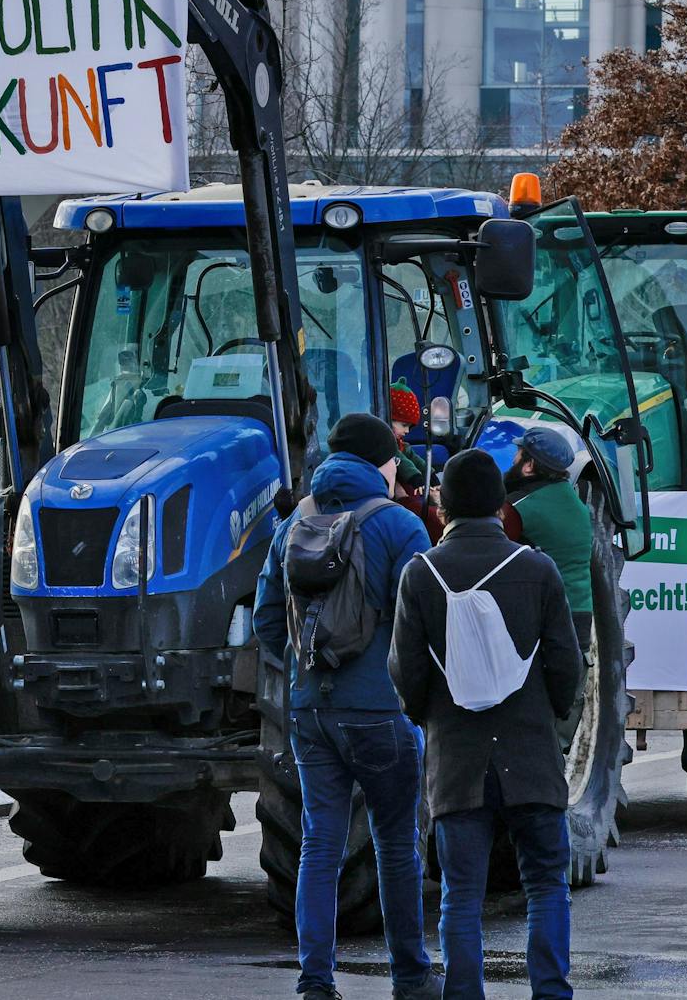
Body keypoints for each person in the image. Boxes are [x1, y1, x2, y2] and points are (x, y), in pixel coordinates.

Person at [253, 413, 438, 1000]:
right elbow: (424, 624)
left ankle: (315, 981)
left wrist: (308, 671)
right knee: (394, 841)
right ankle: (409, 975)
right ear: (378, 462)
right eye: (393, 462)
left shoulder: (293, 523)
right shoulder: (398, 525)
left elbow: (264, 622)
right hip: (380, 710)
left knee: (319, 840)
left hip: (309, 711)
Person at [391, 448, 580, 1000]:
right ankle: (550, 992)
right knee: (546, 885)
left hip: (457, 760)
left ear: (443, 505)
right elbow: (566, 663)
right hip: (531, 755)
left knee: (461, 895)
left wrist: (428, 717)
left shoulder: (420, 574)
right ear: (501, 505)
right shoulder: (537, 568)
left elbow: (407, 671)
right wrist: (549, 715)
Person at [504, 428, 593, 655]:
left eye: (518, 453)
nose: (513, 460)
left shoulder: (518, 507)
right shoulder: (575, 503)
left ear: (528, 465)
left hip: (545, 620)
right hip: (580, 618)